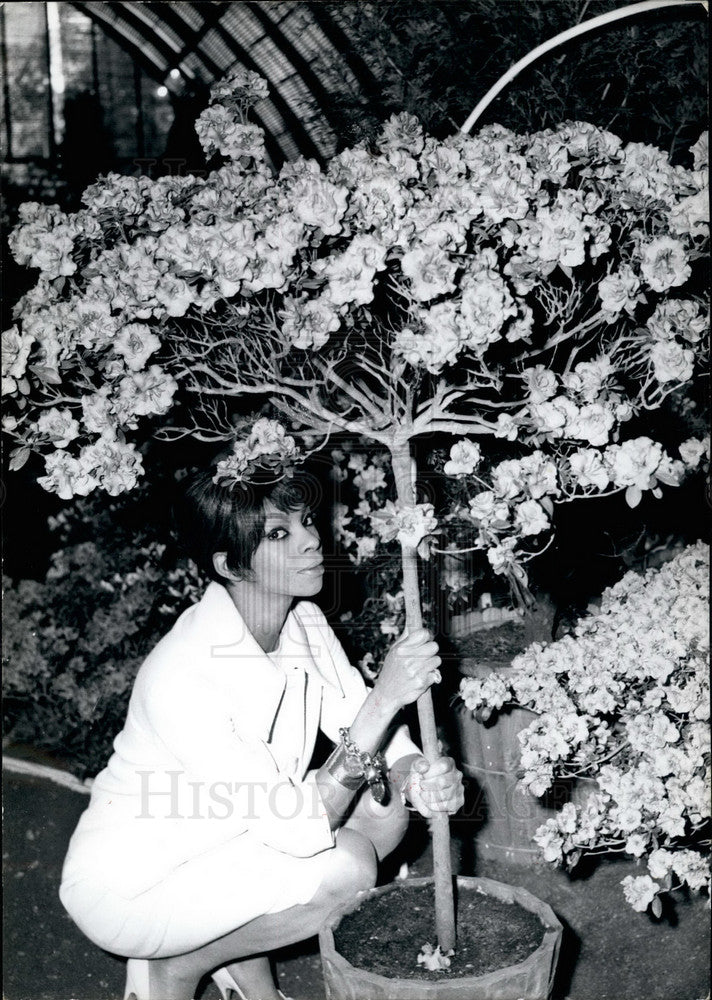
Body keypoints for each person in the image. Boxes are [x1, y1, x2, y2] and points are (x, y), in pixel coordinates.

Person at [59, 421, 464, 1000]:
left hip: (229, 838)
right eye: (279, 533)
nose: (309, 540)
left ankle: (241, 964)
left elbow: (363, 723)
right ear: (229, 564)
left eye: (303, 521)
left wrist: (416, 775)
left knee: (387, 809)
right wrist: (385, 698)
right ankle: (176, 965)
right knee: (346, 866)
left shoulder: (302, 621)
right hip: (136, 884)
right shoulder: (185, 673)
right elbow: (300, 825)